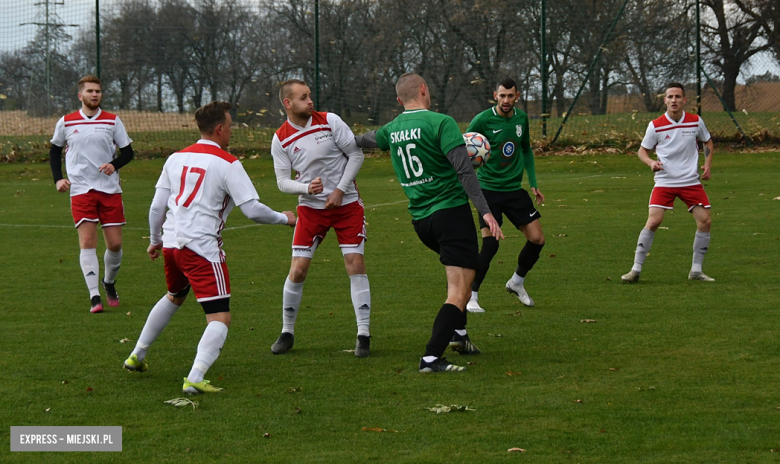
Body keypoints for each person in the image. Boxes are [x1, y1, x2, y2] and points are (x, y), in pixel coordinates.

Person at [123, 101, 296, 394]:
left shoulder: (175, 158)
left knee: (175, 296)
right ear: (219, 129)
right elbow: (252, 209)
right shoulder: (228, 163)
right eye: (229, 127)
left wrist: (155, 240)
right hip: (201, 248)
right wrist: (284, 218)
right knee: (220, 317)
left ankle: (136, 355)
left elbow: (156, 207)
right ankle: (195, 377)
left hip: (173, 245)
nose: (231, 132)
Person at [355, 73, 504, 373]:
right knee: (460, 289)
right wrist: (486, 212)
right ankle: (431, 357)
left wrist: (336, 136)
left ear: (399, 100)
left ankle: (459, 334)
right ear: (424, 90)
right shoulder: (441, 123)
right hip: (450, 214)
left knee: (463, 272)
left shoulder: (392, 129)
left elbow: (363, 140)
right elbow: (465, 172)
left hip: (421, 221)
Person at [269, 79, 372, 358]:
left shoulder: (330, 121)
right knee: (298, 269)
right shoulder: (280, 138)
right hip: (311, 210)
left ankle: (363, 335)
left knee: (355, 263)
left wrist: (339, 190)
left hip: (347, 205)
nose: (310, 101)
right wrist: (305, 189)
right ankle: (287, 332)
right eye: (303, 97)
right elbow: (281, 181)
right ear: (288, 104)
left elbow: (355, 155)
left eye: (310, 95)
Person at [49, 75, 134, 313]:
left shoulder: (112, 121)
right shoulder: (66, 122)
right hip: (80, 190)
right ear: (80, 96)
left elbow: (128, 152)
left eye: (98, 91)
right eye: (90, 91)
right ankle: (94, 296)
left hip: (109, 190)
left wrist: (113, 165)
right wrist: (58, 179)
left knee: (115, 244)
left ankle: (108, 282)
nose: (94, 94)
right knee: (87, 241)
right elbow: (54, 152)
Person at [465, 77, 546, 313]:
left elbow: (526, 149)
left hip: (513, 190)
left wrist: (533, 183)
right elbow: (465, 146)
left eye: (511, 96)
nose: (506, 100)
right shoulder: (482, 119)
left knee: (537, 239)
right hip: (488, 190)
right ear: (495, 95)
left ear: (517, 96)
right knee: (490, 244)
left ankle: (517, 282)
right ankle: (472, 296)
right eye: (502, 96)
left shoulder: (521, 119)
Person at [621, 82, 715, 283]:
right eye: (670, 97)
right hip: (665, 181)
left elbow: (707, 140)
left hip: (690, 181)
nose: (674, 100)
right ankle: (635, 269)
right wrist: (650, 163)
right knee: (654, 221)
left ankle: (696, 271)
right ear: (665, 100)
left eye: (678, 97)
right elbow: (642, 151)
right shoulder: (655, 125)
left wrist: (707, 164)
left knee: (705, 221)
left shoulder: (695, 121)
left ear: (684, 100)